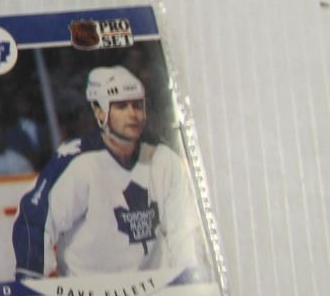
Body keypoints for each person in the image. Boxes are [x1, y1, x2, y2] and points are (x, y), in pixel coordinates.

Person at [11, 67, 204, 280]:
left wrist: (193, 277)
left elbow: (184, 233)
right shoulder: (77, 161)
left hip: (153, 291)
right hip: (89, 292)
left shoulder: (165, 161)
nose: (132, 114)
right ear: (100, 112)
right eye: (121, 106)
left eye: (137, 105)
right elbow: (35, 220)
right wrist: (31, 281)